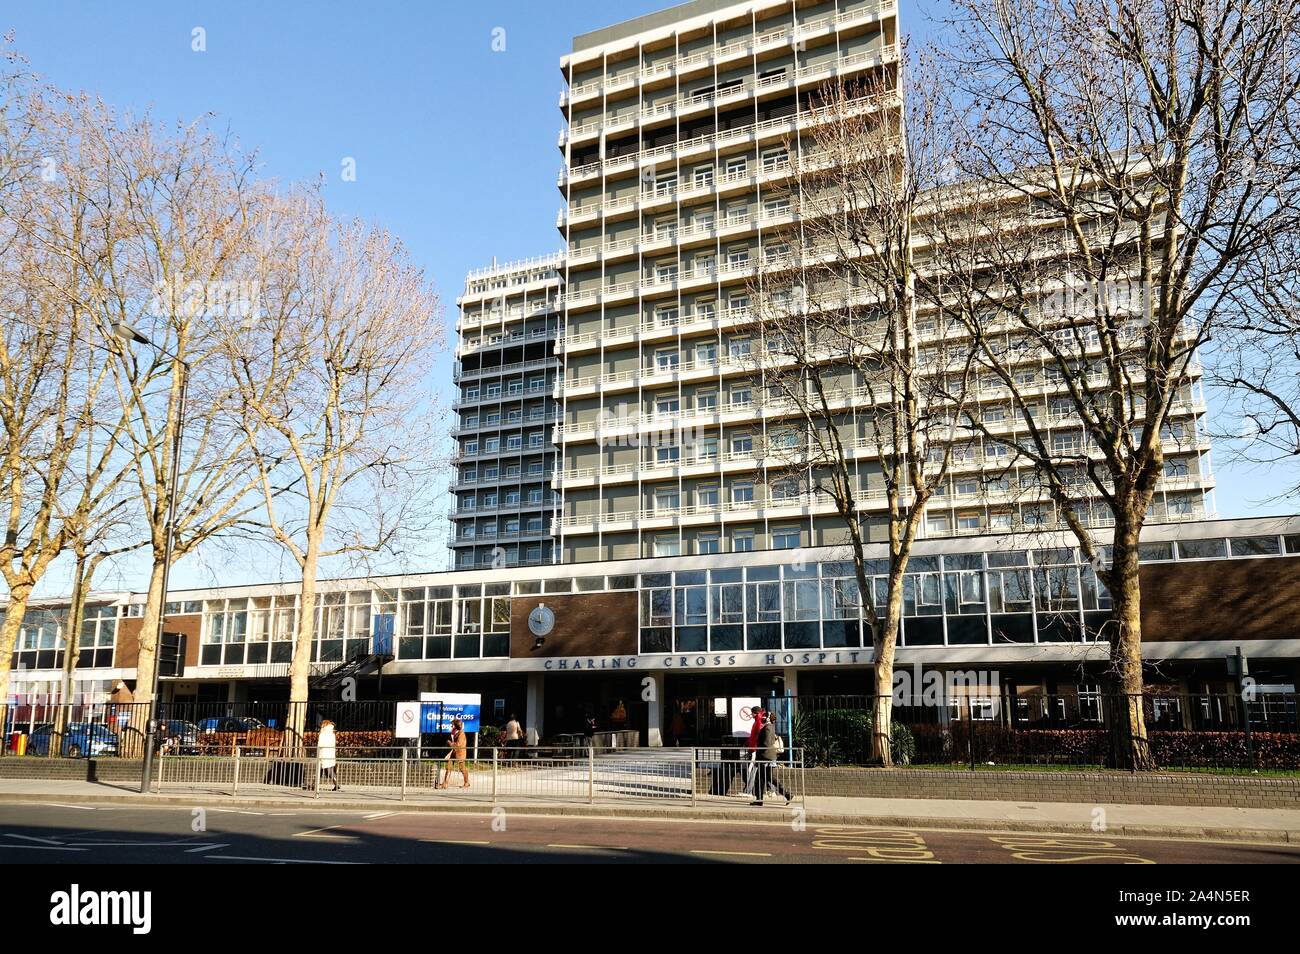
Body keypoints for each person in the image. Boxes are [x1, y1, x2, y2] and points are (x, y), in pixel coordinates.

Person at [751, 711, 793, 806]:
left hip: (765, 757)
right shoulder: (768, 727)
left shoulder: (768, 728)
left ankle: (760, 799)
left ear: (768, 718)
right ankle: (786, 794)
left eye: (765, 717)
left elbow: (767, 743)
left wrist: (758, 747)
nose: (763, 718)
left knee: (762, 778)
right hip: (766, 757)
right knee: (766, 778)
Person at [438, 717, 470, 789]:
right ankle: (445, 783)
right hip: (452, 752)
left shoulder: (461, 733)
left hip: (460, 753)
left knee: (462, 768)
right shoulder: (454, 732)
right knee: (448, 767)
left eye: (452, 725)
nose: (451, 726)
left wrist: (450, 743)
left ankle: (466, 782)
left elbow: (458, 744)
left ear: (456, 726)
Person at [318, 719, 339, 792]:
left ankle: (337, 784)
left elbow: (320, 744)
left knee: (324, 770)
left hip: (324, 753)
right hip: (330, 753)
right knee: (327, 770)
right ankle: (315, 785)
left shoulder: (323, 733)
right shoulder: (332, 733)